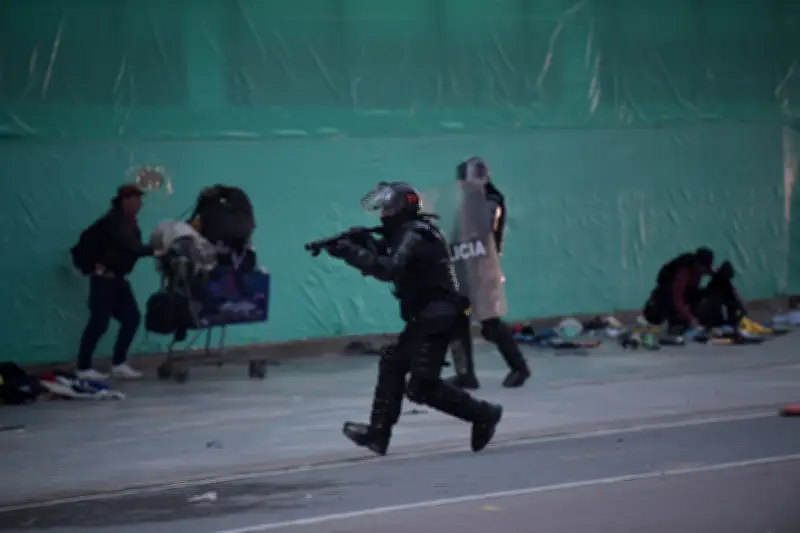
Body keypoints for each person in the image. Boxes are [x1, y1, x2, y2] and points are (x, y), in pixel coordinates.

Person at [321, 181, 504, 456]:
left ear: (402, 208)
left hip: (438, 317)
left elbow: (389, 268)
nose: (383, 214)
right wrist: (359, 243)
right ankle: (378, 434)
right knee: (393, 363)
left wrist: (352, 252)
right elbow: (387, 254)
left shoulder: (415, 233)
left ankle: (485, 414)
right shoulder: (408, 233)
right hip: (426, 317)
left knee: (422, 387)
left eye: (388, 208)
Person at [446, 157, 530, 390]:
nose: (463, 184)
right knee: (459, 318)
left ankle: (519, 368)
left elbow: (483, 231)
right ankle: (465, 374)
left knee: (490, 323)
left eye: (466, 179)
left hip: (482, 272)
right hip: (465, 269)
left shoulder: (489, 200)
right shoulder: (468, 202)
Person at [71, 184, 154, 380]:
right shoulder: (114, 221)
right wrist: (154, 250)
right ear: (125, 199)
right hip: (103, 282)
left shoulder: (128, 222)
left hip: (119, 280)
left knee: (131, 318)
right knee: (99, 322)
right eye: (136, 199)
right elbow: (131, 246)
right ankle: (83, 367)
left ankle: (119, 363)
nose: (140, 204)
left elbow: (130, 248)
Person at [642, 247, 715, 334]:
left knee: (704, 294)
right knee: (667, 319)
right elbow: (677, 299)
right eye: (704, 267)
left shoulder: (700, 269)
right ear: (697, 263)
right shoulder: (683, 272)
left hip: (682, 296)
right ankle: (673, 323)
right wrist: (690, 318)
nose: (704, 271)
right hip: (665, 300)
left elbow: (711, 273)